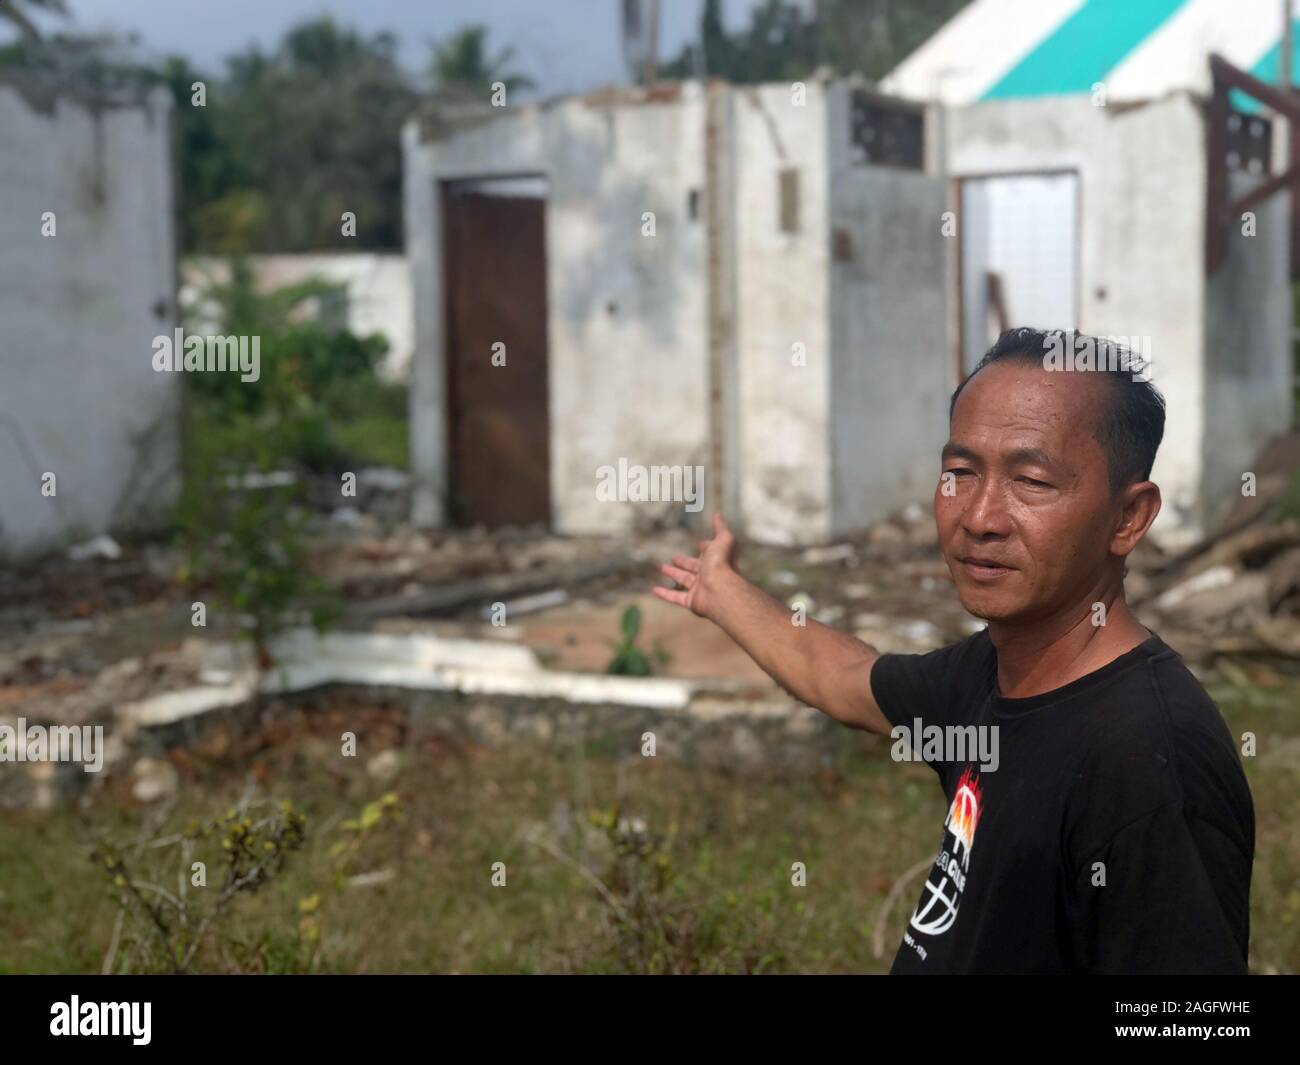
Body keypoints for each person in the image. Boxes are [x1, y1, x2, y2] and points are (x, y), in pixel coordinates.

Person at [653, 327, 1255, 974]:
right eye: (960, 473)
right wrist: (721, 589)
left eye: (1031, 480)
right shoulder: (990, 674)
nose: (979, 516)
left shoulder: (1152, 761)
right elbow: (844, 675)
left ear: (1129, 517)